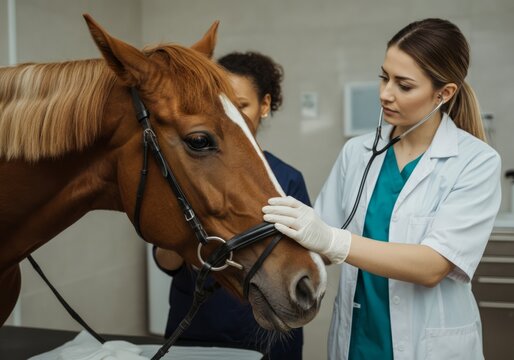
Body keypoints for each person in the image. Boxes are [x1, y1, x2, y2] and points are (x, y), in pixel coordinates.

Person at [262, 18, 501, 360]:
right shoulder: (357, 153)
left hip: (429, 347)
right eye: (384, 77)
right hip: (358, 340)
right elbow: (321, 245)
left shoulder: (476, 161)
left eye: (403, 85)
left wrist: (331, 239)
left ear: (443, 93)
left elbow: (432, 265)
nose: (385, 93)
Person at [153, 51, 310, 359]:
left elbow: (298, 265)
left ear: (265, 106)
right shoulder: (188, 173)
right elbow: (166, 262)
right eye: (221, 106)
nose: (231, 117)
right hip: (195, 327)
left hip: (264, 332)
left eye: (241, 106)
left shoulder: (287, 180)